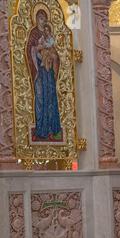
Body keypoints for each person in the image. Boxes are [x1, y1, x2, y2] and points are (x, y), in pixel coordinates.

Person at [27, 9, 62, 142]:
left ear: (46, 20)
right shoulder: (34, 33)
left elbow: (55, 54)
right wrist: (37, 49)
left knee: (51, 99)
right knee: (41, 98)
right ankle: (41, 130)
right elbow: (29, 49)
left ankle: (53, 130)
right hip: (39, 72)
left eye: (42, 18)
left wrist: (53, 57)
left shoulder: (49, 35)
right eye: (38, 17)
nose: (40, 20)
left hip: (49, 73)